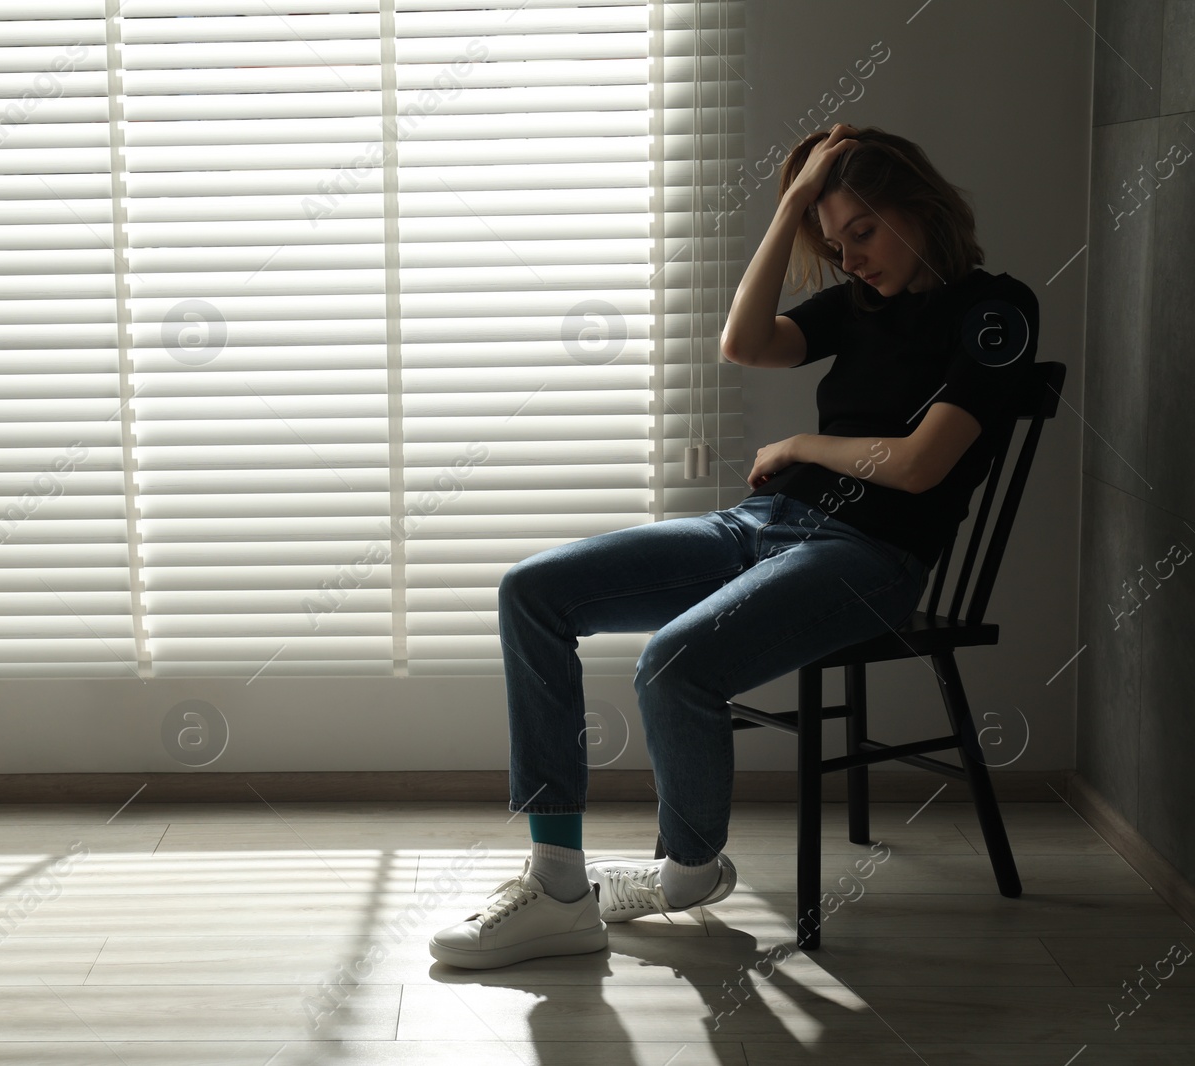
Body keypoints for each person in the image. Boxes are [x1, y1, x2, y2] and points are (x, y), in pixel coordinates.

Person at [428, 123, 1040, 969]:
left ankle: (687, 871)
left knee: (675, 664)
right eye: (833, 242)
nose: (851, 257)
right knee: (532, 592)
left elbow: (921, 464)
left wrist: (800, 446)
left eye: (863, 231)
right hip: (762, 528)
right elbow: (744, 344)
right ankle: (558, 882)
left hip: (869, 559)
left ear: (921, 205)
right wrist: (791, 204)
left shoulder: (994, 311)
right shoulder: (859, 306)